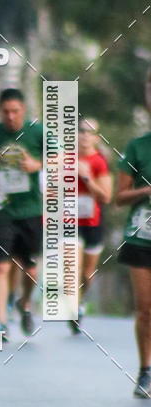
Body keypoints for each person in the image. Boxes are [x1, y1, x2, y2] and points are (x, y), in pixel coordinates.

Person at [0, 88, 43, 340]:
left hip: (30, 210)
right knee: (0, 268)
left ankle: (24, 304)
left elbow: (59, 157)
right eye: (6, 112)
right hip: (0, 209)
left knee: (31, 270)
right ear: (0, 111)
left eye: (15, 111)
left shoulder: (37, 132)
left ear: (23, 111)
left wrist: (37, 164)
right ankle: (1, 323)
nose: (10, 116)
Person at [115, 75, 151, 397]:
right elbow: (118, 196)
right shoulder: (137, 146)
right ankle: (145, 371)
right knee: (145, 307)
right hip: (142, 236)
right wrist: (146, 190)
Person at [70, 117, 112, 333]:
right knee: (73, 266)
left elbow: (106, 197)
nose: (85, 135)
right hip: (71, 220)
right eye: (81, 131)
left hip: (94, 222)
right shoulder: (67, 158)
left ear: (96, 137)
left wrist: (87, 178)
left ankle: (81, 302)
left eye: (89, 132)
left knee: (87, 273)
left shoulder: (100, 162)